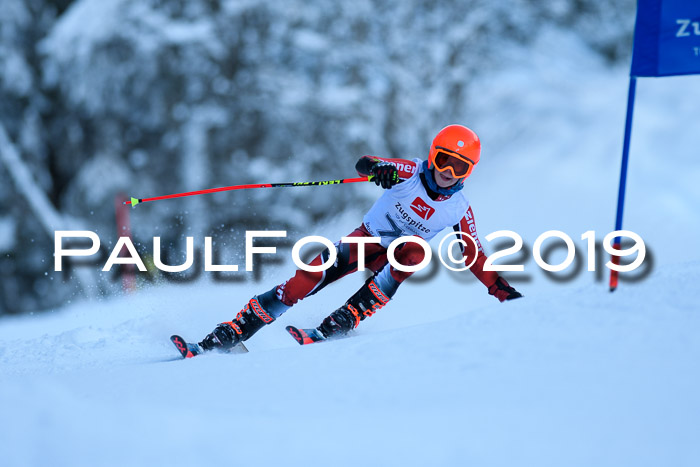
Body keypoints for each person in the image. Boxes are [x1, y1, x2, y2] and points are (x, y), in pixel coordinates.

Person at [196, 124, 522, 353]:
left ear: (468, 172)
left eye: (459, 167)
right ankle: (236, 329)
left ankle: (347, 317)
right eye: (443, 161)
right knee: (304, 280)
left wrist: (501, 290)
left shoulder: (459, 210)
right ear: (432, 155)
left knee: (415, 252)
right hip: (366, 240)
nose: (447, 173)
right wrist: (379, 170)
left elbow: (474, 256)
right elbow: (366, 163)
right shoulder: (409, 172)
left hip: (398, 254)